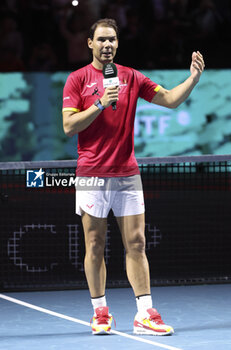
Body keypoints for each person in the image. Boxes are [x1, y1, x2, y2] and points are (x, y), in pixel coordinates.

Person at [62, 18, 205, 336]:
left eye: (112, 39)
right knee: (95, 244)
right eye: (101, 40)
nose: (107, 45)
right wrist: (101, 103)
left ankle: (144, 313)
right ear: (90, 44)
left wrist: (192, 79)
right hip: (91, 174)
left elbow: (169, 100)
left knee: (137, 243)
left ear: (117, 43)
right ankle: (100, 312)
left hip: (127, 174)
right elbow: (69, 126)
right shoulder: (77, 80)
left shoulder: (131, 76)